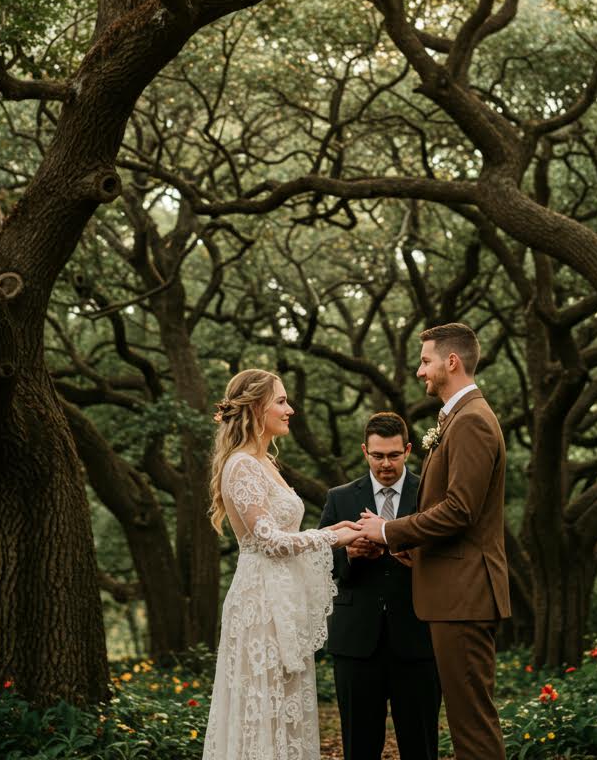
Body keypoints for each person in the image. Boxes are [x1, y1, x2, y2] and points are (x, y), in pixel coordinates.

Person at [355, 323, 510, 760]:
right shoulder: (457, 418)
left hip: (465, 594)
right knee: (467, 722)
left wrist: (388, 531)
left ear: (451, 362)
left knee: (473, 726)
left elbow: (461, 510)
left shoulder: (473, 422)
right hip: (454, 592)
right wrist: (415, 547)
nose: (420, 371)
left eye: (426, 361)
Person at [202, 368, 359, 760]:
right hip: (260, 605)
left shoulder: (266, 463)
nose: (291, 409)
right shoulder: (240, 465)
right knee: (263, 707)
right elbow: (268, 541)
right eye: (281, 401)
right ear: (256, 407)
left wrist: (335, 527)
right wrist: (332, 537)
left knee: (286, 707)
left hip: (282, 603)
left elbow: (282, 529)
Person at [318, 412, 441, 760]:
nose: (385, 464)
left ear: (408, 450)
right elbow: (318, 562)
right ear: (364, 451)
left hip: (417, 639)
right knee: (359, 746)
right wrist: (350, 555)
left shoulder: (431, 493)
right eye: (377, 456)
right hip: (356, 642)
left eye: (393, 455)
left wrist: (412, 552)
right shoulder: (339, 497)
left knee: (422, 746)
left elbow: (448, 557)